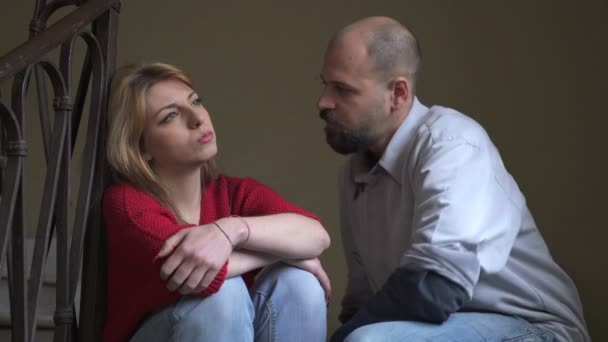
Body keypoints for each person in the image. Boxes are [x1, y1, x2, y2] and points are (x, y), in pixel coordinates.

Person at [318, 16, 589, 342]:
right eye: (325, 85)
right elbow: (364, 299)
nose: (323, 102)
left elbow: (436, 287)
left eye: (343, 90)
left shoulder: (452, 142)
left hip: (533, 327)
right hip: (442, 326)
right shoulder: (353, 174)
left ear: (398, 93)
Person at [103, 62, 331, 342]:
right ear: (142, 148)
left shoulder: (234, 193)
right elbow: (203, 275)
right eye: (170, 116)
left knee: (300, 283)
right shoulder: (127, 204)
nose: (197, 118)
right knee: (223, 291)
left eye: (195, 102)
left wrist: (233, 230)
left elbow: (316, 235)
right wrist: (283, 250)